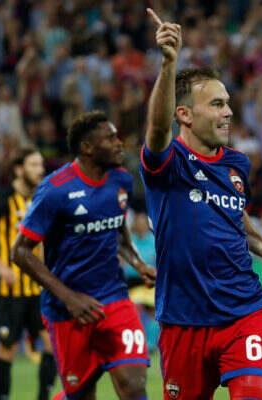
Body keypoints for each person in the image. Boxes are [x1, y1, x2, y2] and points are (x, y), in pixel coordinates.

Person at [140, 9, 262, 400]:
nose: (228, 112)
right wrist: (169, 64)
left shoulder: (237, 164)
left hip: (244, 311)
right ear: (185, 114)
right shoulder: (167, 165)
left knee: (254, 391)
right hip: (183, 320)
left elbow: (233, 215)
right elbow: (157, 129)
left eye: (227, 103)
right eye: (217, 104)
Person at [11, 111, 156, 400]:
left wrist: (138, 263)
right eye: (110, 138)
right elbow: (20, 252)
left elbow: (117, 229)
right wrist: (69, 298)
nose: (119, 143)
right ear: (87, 147)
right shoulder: (55, 190)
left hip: (114, 299)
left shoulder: (121, 180)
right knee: (81, 394)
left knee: (134, 385)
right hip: (66, 310)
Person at [0, 146, 57, 400]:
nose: (40, 170)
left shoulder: (42, 199)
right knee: (7, 349)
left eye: (41, 165)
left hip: (38, 288)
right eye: (34, 165)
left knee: (51, 343)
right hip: (9, 290)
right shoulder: (3, 199)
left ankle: (43, 397)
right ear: (19, 170)